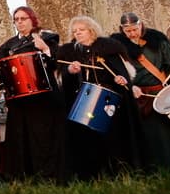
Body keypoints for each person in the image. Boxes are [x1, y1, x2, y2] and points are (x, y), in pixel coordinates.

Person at [0, 6, 65, 182]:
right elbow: (3, 75)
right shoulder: (8, 45)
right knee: (21, 138)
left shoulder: (46, 37)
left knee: (43, 137)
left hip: (43, 98)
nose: (20, 22)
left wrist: (45, 49)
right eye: (16, 19)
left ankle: (48, 176)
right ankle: (24, 177)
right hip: (19, 101)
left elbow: (57, 63)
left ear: (32, 19)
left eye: (23, 18)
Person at [58, 16, 141, 178]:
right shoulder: (69, 52)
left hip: (109, 101)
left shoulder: (109, 48)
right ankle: (91, 174)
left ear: (91, 30)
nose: (78, 33)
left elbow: (124, 75)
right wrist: (70, 71)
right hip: (83, 102)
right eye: (75, 31)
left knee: (113, 137)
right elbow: (61, 78)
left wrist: (120, 79)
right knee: (87, 139)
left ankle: (118, 171)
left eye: (81, 30)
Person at [111, 12, 170, 170]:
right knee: (146, 133)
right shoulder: (118, 46)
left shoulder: (157, 41)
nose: (132, 33)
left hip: (160, 92)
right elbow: (119, 70)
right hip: (137, 95)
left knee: (167, 130)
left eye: (135, 29)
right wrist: (131, 87)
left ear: (141, 25)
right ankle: (150, 167)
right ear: (122, 30)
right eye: (128, 31)